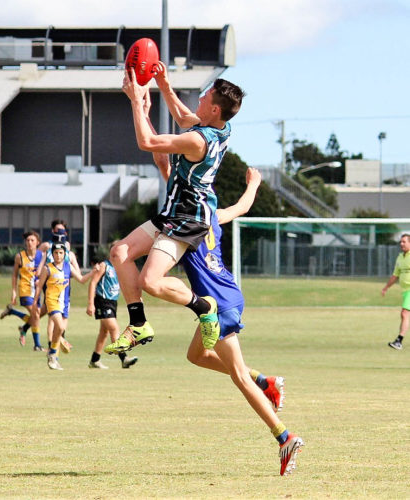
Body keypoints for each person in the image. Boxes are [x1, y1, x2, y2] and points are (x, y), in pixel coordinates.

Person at [105, 64, 245, 355]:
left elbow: (148, 142)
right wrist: (162, 83)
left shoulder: (198, 140)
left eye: (206, 96)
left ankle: (204, 306)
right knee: (120, 252)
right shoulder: (221, 126)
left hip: (189, 219)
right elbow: (183, 117)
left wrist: (135, 101)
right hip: (173, 212)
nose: (201, 97)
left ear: (216, 110)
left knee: (150, 281)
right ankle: (139, 324)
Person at [180, 166, 304, 476]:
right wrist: (255, 182)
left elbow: (170, 172)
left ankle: (284, 437)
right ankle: (266, 381)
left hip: (217, 303)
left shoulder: (186, 223)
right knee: (196, 355)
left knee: (238, 375)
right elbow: (243, 206)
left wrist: (153, 140)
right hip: (226, 294)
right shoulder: (213, 216)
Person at [33, 242, 93, 370]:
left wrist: (94, 272)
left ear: (65, 254)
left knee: (59, 330)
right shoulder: (47, 268)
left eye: (61, 253)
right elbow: (39, 287)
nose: (58, 255)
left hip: (64, 303)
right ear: (52, 254)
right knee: (59, 327)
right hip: (51, 301)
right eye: (56, 252)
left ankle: (53, 357)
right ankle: (52, 354)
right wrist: (35, 303)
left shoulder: (68, 267)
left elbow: (82, 280)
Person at [86, 247, 138, 370]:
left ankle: (95, 360)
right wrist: (90, 303)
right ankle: (124, 358)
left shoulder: (120, 268)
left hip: (112, 302)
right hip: (102, 301)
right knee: (114, 328)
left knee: (104, 332)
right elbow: (93, 283)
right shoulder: (104, 265)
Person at [37, 219, 82, 354]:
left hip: (65, 286)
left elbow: (77, 273)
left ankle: (58, 339)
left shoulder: (67, 248)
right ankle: (53, 344)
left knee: (60, 315)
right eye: (57, 231)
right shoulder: (47, 247)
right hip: (51, 284)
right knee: (53, 316)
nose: (60, 234)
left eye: (62, 231)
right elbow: (37, 259)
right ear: (52, 231)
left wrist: (69, 273)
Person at [0, 230, 44, 351]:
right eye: (28, 240)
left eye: (32, 240)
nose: (29, 243)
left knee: (36, 317)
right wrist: (14, 292)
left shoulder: (42, 256)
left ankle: (14, 315)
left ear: (37, 242)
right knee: (35, 315)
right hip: (25, 290)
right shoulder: (20, 257)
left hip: (37, 291)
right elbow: (14, 275)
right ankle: (37, 345)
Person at [382, 233, 410, 350]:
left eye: (404, 242)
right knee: (405, 315)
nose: (401, 244)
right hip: (405, 291)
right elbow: (395, 275)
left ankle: (399, 341)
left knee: (404, 314)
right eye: (400, 242)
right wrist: (386, 287)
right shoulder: (400, 257)